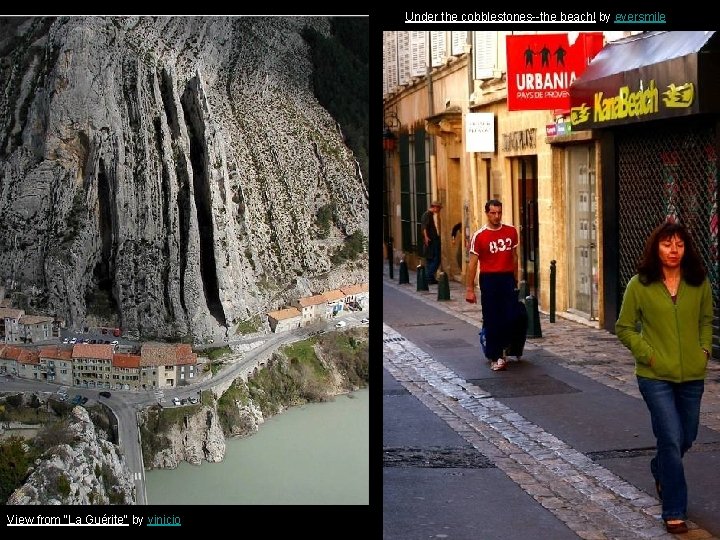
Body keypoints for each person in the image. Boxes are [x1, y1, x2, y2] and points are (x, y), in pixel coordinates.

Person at [615, 221, 713, 535]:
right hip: (654, 375)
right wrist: (648, 354)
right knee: (670, 438)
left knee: (686, 437)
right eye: (667, 244)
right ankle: (674, 510)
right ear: (656, 247)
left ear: (686, 249)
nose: (673, 251)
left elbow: (706, 320)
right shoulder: (639, 284)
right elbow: (624, 327)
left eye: (679, 245)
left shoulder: (699, 282)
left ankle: (660, 468)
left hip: (692, 376)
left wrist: (704, 350)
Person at [465, 199, 519, 371]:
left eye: (499, 213)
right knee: (492, 317)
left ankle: (503, 348)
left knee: (511, 316)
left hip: (507, 278)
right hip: (489, 279)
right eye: (493, 213)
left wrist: (515, 279)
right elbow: (472, 264)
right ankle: (495, 355)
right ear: (487, 213)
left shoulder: (511, 232)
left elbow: (514, 257)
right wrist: (469, 289)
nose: (496, 216)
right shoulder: (479, 236)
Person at [421, 201, 442, 284]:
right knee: (436, 259)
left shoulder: (429, 215)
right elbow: (424, 227)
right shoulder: (427, 215)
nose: (439, 210)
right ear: (435, 207)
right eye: (439, 208)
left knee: (430, 259)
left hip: (431, 240)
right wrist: (426, 237)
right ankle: (429, 276)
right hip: (431, 241)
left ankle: (430, 278)